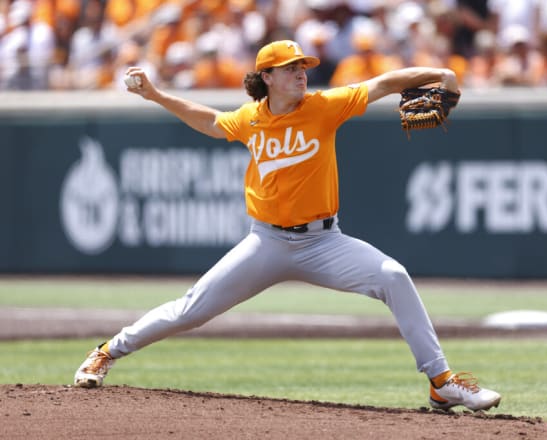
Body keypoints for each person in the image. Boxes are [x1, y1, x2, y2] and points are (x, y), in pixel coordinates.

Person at [73, 39, 501, 412]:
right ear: (268, 77)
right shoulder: (251, 118)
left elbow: (386, 83)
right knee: (191, 309)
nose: (301, 74)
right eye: (292, 68)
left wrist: (441, 72)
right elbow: (209, 121)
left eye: (303, 67)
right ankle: (107, 351)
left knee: (394, 275)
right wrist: (156, 95)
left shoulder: (324, 107)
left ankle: (441, 383)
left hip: (325, 243)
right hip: (267, 243)